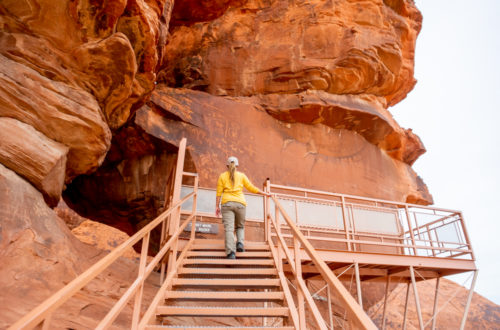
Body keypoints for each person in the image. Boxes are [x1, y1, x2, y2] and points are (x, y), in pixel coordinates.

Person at [215, 156, 268, 259]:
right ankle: (240, 243)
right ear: (237, 165)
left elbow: (218, 193)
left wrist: (217, 206)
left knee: (229, 229)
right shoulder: (241, 176)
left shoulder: (222, 176)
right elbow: (251, 188)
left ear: (227, 165)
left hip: (227, 204)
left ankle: (231, 253)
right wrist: (265, 193)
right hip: (240, 204)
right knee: (240, 226)